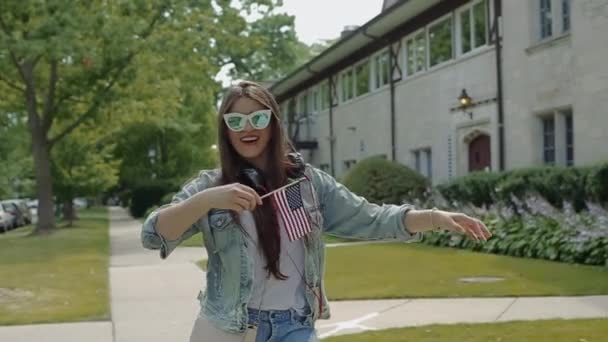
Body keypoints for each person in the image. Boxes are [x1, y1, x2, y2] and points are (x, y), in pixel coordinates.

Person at [141, 81, 492, 342]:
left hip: (293, 325)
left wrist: (433, 217)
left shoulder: (309, 184)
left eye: (257, 118)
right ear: (225, 129)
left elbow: (370, 218)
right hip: (228, 328)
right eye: (236, 122)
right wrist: (205, 201)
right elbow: (154, 233)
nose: (247, 128)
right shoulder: (209, 187)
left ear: (273, 122)